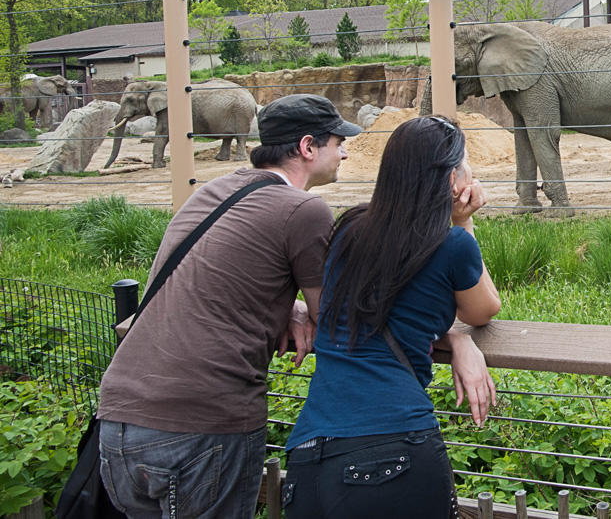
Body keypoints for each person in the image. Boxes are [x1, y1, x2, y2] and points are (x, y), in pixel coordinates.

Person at [95, 95, 490, 518]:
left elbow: (217, 280)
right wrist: (456, 336)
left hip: (119, 414)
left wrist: (282, 305)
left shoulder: (213, 191)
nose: (345, 151)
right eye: (338, 141)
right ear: (307, 147)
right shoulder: (304, 210)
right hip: (203, 421)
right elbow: (346, 316)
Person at [283, 115, 501, 518]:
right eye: (465, 163)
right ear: (452, 178)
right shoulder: (452, 243)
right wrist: (463, 220)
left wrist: (454, 338)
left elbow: (372, 311)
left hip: (310, 453)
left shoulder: (348, 228)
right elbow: (484, 309)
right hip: (396, 443)